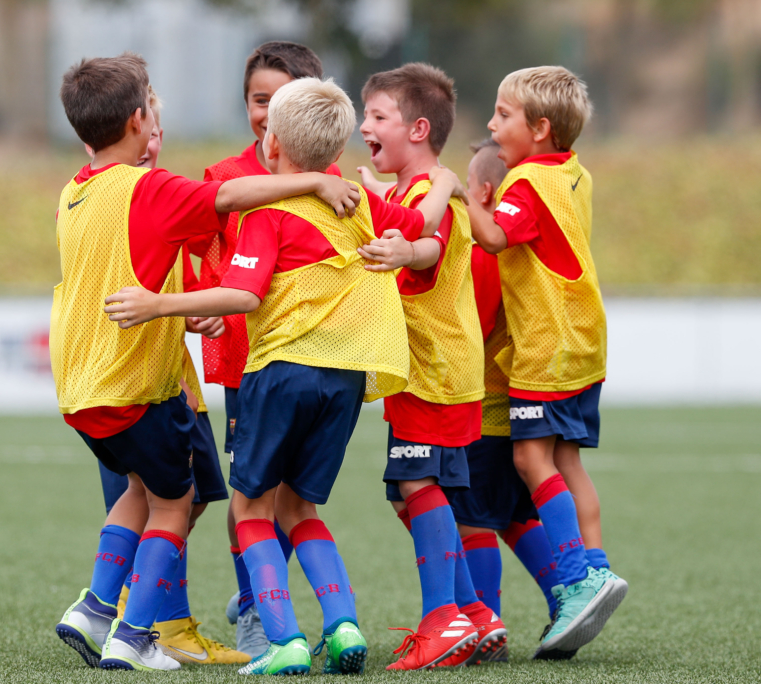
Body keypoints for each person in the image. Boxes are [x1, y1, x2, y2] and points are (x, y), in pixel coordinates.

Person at [103, 76, 467, 676]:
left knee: (251, 510)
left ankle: (283, 639)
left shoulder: (268, 212)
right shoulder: (358, 201)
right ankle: (345, 627)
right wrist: (447, 182)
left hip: (285, 372)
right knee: (300, 508)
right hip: (348, 380)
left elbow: (244, 295)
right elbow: (422, 226)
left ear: (272, 145)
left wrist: (158, 303)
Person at [51, 53, 361, 671]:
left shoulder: (74, 193)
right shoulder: (151, 187)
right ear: (141, 120)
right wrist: (316, 180)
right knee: (176, 500)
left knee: (139, 490)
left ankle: (92, 607)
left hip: (80, 386)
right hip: (135, 382)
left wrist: (177, 309)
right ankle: (134, 633)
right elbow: (233, 194)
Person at [461, 65, 628, 659]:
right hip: (583, 341)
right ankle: (596, 568)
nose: (490, 123)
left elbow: (496, 239)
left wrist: (458, 195)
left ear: (539, 128)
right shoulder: (573, 172)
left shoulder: (527, 181)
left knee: (530, 455)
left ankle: (580, 579)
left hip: (546, 348)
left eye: (502, 115)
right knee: (566, 462)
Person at [89, 86, 246, 665]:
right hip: (135, 386)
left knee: (186, 497)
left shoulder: (161, 194)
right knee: (161, 499)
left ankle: (124, 614)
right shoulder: (115, 197)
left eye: (160, 128)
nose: (153, 139)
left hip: (172, 381)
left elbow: (198, 265)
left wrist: (199, 307)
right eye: (146, 126)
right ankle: (132, 623)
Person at [357, 63, 506, 670]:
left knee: (419, 486)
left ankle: (443, 620)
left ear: (418, 128)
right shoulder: (408, 190)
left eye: (377, 116)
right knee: (407, 493)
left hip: (436, 370)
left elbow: (429, 244)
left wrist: (404, 249)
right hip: (424, 370)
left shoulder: (430, 192)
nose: (364, 125)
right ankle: (474, 615)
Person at [198, 41, 339, 658]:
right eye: (259, 100)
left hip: (311, 359)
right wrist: (202, 304)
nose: (266, 114)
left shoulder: (334, 182)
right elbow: (204, 254)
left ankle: (261, 595)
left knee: (285, 494)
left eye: (280, 101)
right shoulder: (224, 179)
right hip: (246, 359)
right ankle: (257, 605)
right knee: (250, 491)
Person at [448, 138, 564, 661]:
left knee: (472, 518)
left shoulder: (484, 255)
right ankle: (564, 597)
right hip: (508, 405)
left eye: (464, 190)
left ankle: (485, 624)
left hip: (483, 409)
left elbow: (474, 320)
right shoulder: (512, 251)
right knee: (515, 515)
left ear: (483, 192)